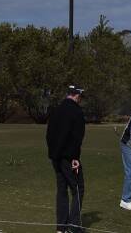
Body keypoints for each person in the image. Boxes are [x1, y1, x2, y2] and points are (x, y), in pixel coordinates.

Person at [46, 85, 87, 232]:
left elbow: (49, 134)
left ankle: (61, 227)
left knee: (62, 190)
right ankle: (73, 227)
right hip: (68, 157)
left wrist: (52, 154)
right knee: (78, 189)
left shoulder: (56, 110)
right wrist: (75, 158)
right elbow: (77, 137)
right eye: (80, 97)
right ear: (77, 96)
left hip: (55, 157)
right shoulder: (76, 111)